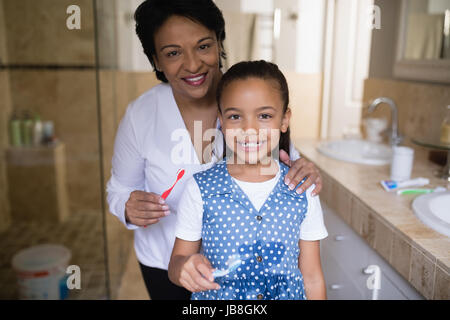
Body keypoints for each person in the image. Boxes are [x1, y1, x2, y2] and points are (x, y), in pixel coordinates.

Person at [106, 0, 323, 300]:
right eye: (172, 53)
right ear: (156, 60)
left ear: (219, 43)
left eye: (203, 46)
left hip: (249, 273)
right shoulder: (140, 115)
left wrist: (304, 169)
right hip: (167, 262)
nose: (193, 64)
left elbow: (285, 163)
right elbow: (118, 190)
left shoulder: (248, 95)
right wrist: (128, 207)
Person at [168, 60, 328, 300]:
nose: (249, 129)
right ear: (220, 121)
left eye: (264, 115)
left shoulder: (302, 189)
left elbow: (312, 277)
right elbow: (176, 264)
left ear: (284, 120)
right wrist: (184, 268)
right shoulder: (200, 189)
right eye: (235, 116)